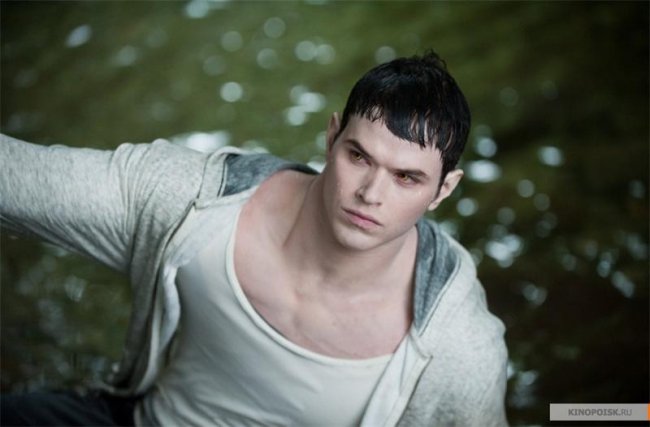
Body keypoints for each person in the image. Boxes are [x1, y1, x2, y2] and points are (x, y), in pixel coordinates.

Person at [0, 50, 508, 426]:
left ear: (444, 189)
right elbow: (22, 180)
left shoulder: (458, 349)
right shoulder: (190, 204)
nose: (371, 194)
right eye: (358, 157)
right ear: (331, 138)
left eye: (406, 178)